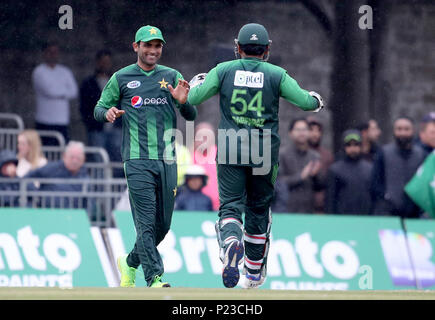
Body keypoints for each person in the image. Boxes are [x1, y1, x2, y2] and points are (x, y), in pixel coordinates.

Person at [187, 23, 323, 289]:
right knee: (258, 209)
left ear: (237, 48)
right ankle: (252, 272)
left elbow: (194, 97)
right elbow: (306, 102)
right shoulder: (276, 74)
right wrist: (317, 100)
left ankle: (230, 244)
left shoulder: (223, 70)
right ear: (267, 49)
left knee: (230, 207)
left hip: (229, 148)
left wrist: (195, 83)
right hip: (264, 152)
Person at [94, 25, 196, 288]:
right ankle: (154, 277)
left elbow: (191, 115)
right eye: (147, 45)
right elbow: (99, 108)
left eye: (157, 46)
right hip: (136, 159)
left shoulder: (172, 75)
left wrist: (184, 102)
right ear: (135, 47)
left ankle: (129, 263)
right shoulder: (122, 77)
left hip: (167, 159)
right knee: (146, 222)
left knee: (162, 226)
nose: (153, 50)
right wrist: (107, 114)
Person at [371, 116, 426, 218]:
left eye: (406, 129)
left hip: (415, 213)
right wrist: (386, 197)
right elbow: (376, 182)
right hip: (388, 212)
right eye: (399, 129)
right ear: (394, 131)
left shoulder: (421, 155)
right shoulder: (383, 153)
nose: (403, 133)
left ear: (413, 131)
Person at [32, 42, 78, 145]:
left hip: (62, 121)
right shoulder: (39, 71)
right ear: (44, 53)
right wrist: (64, 92)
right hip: (44, 121)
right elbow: (49, 91)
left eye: (55, 52)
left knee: (61, 151)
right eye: (50, 52)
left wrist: (59, 92)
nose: (53, 55)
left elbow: (74, 91)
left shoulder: (65, 71)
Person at [24, 141, 89, 208]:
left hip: (73, 215)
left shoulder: (85, 178)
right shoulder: (52, 168)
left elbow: (89, 202)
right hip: (49, 213)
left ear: (83, 159)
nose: (74, 161)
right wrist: (36, 193)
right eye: (72, 157)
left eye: (78, 158)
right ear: (64, 156)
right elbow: (27, 177)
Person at [278, 118, 324, 214]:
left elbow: (320, 186)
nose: (301, 133)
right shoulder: (282, 154)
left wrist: (315, 175)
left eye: (304, 130)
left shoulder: (314, 156)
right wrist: (301, 176)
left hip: (308, 210)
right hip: (286, 208)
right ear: (290, 133)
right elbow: (278, 183)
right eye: (298, 130)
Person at [325, 130, 373, 215]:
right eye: (349, 145)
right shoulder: (335, 170)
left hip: (365, 219)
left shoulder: (370, 169)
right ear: (343, 147)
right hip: (343, 220)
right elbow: (330, 201)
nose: (352, 149)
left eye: (356, 145)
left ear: (361, 146)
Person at [79, 50, 113, 149]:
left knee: (117, 159)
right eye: (103, 62)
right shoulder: (89, 83)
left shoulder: (116, 81)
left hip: (115, 129)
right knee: (98, 159)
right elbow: (84, 106)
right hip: (96, 129)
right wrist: (91, 123)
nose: (105, 65)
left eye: (107, 62)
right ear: (97, 63)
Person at [307, 115, 334, 213]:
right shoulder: (297, 153)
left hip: (320, 206)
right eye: (311, 130)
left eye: (318, 130)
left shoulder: (327, 155)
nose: (315, 134)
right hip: (299, 205)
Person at [191, 121, 219, 211]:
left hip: (219, 206)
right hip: (198, 207)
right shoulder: (191, 156)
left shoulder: (221, 155)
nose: (203, 139)